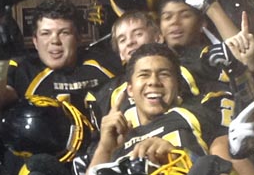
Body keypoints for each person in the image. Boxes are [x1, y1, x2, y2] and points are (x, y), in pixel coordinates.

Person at [87, 43, 222, 171]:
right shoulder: (118, 136)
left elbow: (227, 166)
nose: (153, 82)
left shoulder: (200, 112)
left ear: (179, 87)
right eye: (144, 75)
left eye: (164, 74)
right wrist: (105, 148)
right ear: (130, 90)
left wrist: (178, 158)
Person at [0, 0, 119, 119]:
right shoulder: (25, 70)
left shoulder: (102, 64)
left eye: (64, 33)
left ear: (79, 38)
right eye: (46, 33)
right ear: (35, 40)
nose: (55, 41)